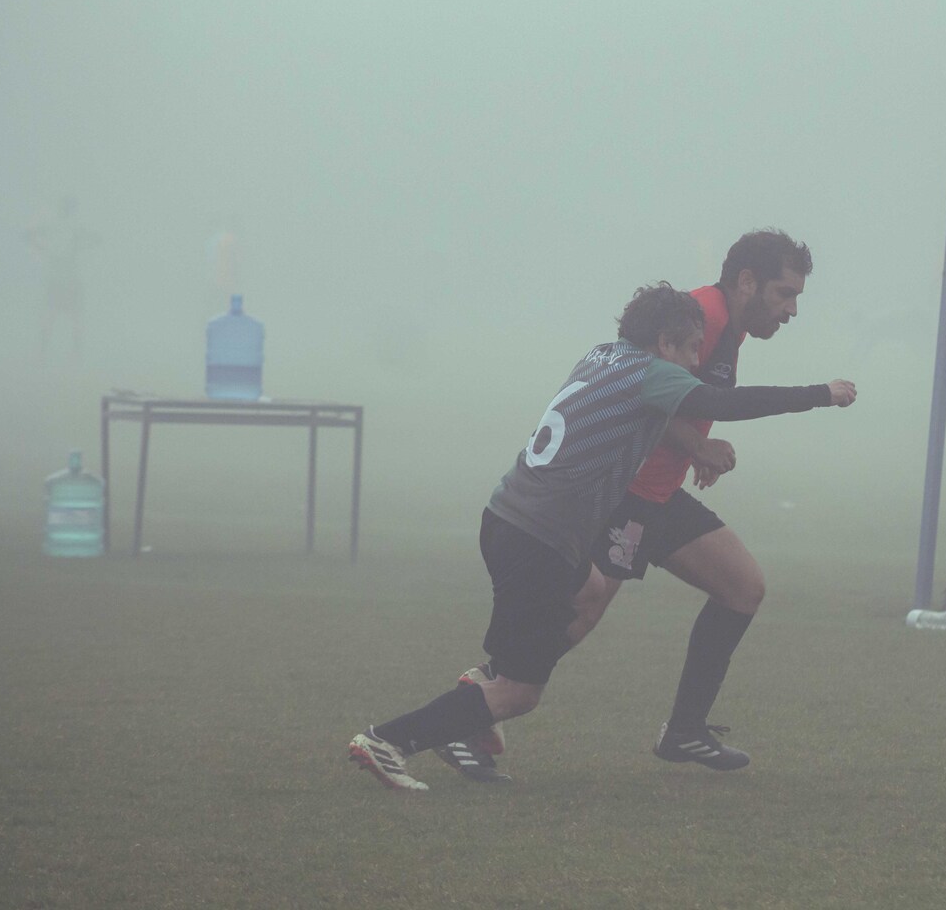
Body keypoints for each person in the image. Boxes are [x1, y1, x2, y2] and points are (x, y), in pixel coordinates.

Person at [348, 282, 856, 791]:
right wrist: (821, 394)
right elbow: (725, 402)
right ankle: (390, 740)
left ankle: (479, 694)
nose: (695, 361)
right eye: (690, 349)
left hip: (508, 515)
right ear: (664, 343)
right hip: (538, 538)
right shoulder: (653, 374)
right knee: (520, 693)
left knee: (591, 591)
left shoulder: (602, 355)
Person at [440, 229, 819, 781]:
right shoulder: (703, 316)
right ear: (747, 282)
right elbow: (641, 392)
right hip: (630, 495)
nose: (791, 310)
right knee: (579, 612)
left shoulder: (731, 328)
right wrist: (699, 445)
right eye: (785, 294)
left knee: (743, 587)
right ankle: (472, 708)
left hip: (662, 494)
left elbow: (676, 400)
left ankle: (685, 729)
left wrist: (694, 449)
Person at [24, 195, 99, 358]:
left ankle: (48, 353)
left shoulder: (61, 226)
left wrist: (42, 248)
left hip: (64, 279)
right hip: (65, 279)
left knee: (58, 316)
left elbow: (31, 236)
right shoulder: (69, 227)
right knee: (67, 316)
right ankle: (69, 354)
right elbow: (94, 239)